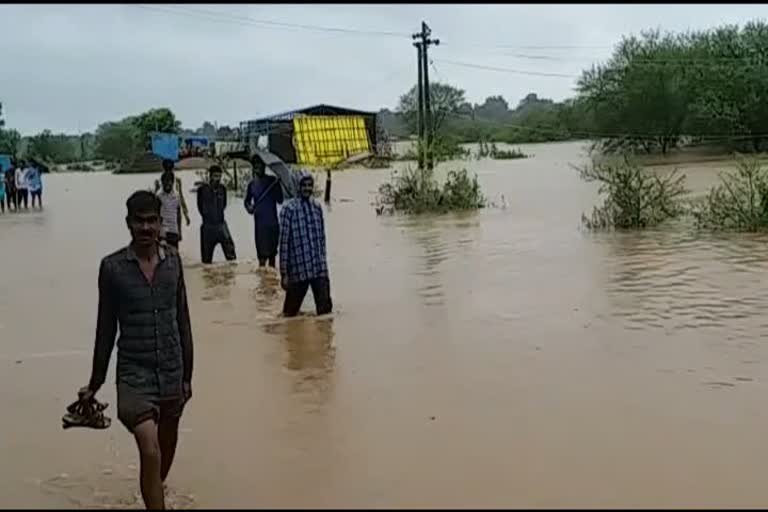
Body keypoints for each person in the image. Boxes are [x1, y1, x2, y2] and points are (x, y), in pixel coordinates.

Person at [79, 190, 193, 510]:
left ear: (160, 223)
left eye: (152, 221)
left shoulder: (173, 263)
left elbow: (183, 320)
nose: (146, 228)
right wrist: (95, 383)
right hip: (134, 375)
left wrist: (188, 376)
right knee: (150, 448)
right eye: (139, 221)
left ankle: (153, 490)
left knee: (166, 447)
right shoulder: (113, 268)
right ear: (128, 224)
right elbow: (105, 329)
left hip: (171, 369)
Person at [279, 172, 333, 317]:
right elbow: (283, 243)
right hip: (298, 270)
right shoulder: (288, 209)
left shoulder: (317, 207)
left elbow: (322, 238)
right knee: (289, 315)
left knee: (325, 314)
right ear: (298, 186)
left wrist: (324, 263)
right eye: (304, 185)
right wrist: (284, 273)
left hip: (318, 268)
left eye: (310, 185)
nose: (307, 189)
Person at [244, 155, 284, 268]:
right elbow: (247, 201)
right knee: (261, 258)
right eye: (255, 165)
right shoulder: (252, 185)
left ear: (263, 166)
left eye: (259, 165)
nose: (257, 167)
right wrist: (249, 208)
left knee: (272, 257)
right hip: (260, 226)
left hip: (273, 224)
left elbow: (280, 200)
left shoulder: (272, 181)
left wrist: (278, 186)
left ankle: (270, 283)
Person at [197, 165, 236, 264]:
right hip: (207, 227)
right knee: (206, 262)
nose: (217, 179)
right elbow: (200, 207)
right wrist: (207, 216)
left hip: (221, 225)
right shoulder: (202, 190)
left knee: (232, 258)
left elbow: (224, 205)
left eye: (219, 176)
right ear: (210, 176)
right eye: (215, 176)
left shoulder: (222, 189)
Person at [154, 159, 191, 229]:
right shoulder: (162, 179)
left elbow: (180, 197)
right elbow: (181, 197)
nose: (169, 170)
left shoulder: (175, 180)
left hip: (173, 205)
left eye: (169, 168)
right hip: (165, 205)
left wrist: (186, 214)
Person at [157, 171, 182, 248]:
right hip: (163, 231)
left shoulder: (176, 196)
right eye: (165, 181)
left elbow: (178, 215)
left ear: (172, 182)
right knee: (162, 254)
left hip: (174, 230)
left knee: (174, 254)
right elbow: (156, 214)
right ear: (162, 182)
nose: (167, 183)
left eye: (170, 181)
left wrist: (180, 231)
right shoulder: (158, 197)